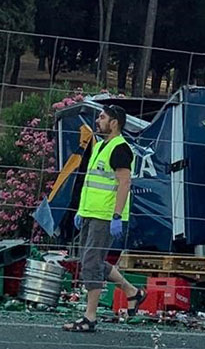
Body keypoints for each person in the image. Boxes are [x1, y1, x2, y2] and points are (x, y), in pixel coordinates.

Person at [62, 104, 145, 332]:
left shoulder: (120, 148)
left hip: (104, 216)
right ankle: (132, 292)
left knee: (91, 263)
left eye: (102, 117)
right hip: (90, 213)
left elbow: (124, 183)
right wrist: (81, 210)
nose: (98, 120)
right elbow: (91, 183)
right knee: (91, 261)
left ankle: (90, 317)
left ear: (114, 122)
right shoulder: (101, 146)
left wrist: (117, 215)